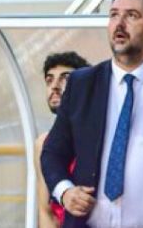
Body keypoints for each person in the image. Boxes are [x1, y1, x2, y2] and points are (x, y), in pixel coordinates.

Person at [42, 0, 143, 227]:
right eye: (113, 15)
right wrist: (65, 192)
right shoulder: (81, 84)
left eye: (131, 16)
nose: (119, 24)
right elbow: (53, 153)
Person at [34, 51, 89, 228]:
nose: (54, 86)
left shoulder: (97, 136)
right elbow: (46, 211)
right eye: (49, 80)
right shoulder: (43, 143)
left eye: (65, 78)